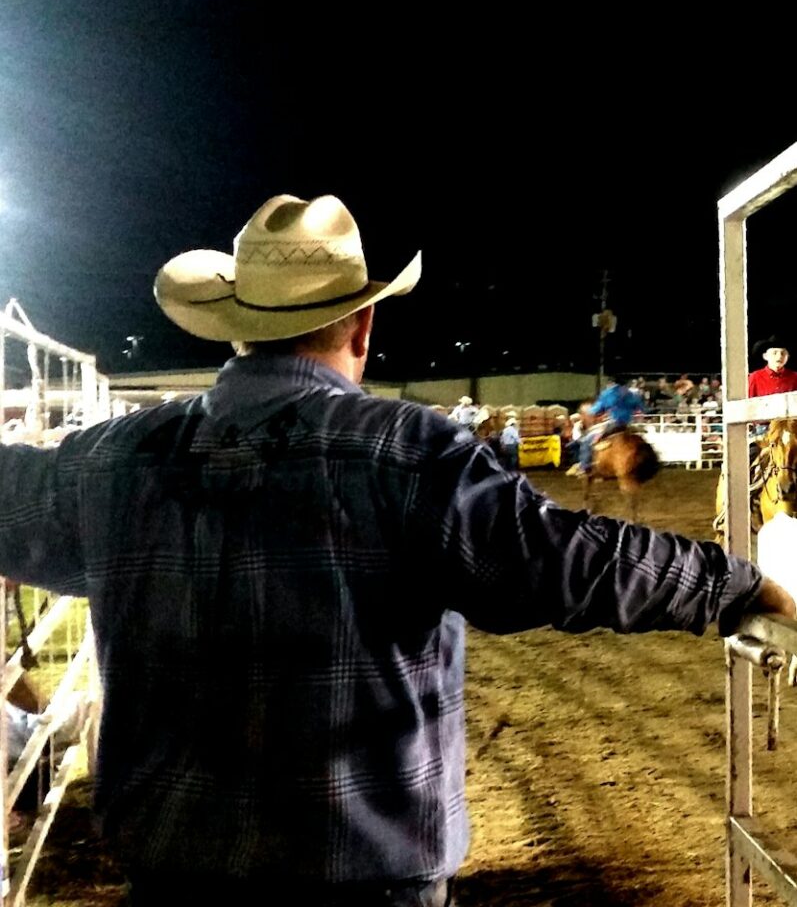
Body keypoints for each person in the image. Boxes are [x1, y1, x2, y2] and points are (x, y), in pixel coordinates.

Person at [0, 192, 793, 907]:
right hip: (362, 873)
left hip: (172, 873)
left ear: (235, 327)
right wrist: (736, 585)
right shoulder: (407, 452)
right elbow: (564, 561)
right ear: (363, 322)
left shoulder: (111, 459)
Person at [568, 381, 645, 477]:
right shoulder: (631, 394)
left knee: (587, 440)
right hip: (628, 424)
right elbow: (640, 407)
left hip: (614, 423)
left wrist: (594, 411)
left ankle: (584, 467)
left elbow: (596, 409)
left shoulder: (609, 393)